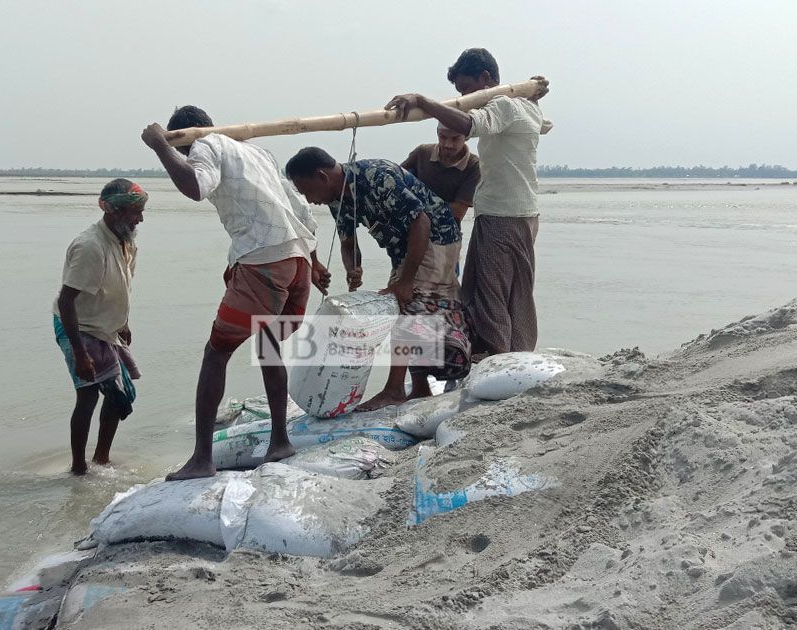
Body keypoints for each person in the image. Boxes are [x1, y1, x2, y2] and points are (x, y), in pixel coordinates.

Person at [141, 106, 331, 481]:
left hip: (264, 262)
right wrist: (314, 262)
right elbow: (301, 212)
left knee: (217, 351)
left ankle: (201, 459)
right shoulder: (255, 151)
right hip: (296, 262)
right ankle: (279, 440)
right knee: (270, 344)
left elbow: (197, 186)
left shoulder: (205, 146)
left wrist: (160, 147)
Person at [386, 47, 549, 356]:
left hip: (502, 214)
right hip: (524, 213)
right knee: (510, 290)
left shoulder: (502, 105)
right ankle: (515, 352)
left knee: (491, 292)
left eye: (467, 90)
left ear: (485, 79)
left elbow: (467, 125)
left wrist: (422, 102)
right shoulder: (528, 107)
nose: (466, 97)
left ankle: (499, 355)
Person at [285, 147, 472, 411]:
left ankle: (395, 389)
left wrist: (405, 282)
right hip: (403, 248)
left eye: (306, 191)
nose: (309, 200)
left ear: (322, 177)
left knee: (407, 305)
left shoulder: (378, 177)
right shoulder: (336, 199)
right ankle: (419, 387)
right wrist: (353, 268)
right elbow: (348, 242)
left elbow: (422, 223)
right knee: (404, 306)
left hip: (435, 237)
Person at [52, 179, 145, 475]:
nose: (140, 218)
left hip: (107, 328)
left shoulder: (126, 240)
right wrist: (80, 354)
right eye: (134, 212)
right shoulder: (90, 247)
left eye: (141, 212)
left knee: (119, 396)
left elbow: (121, 284)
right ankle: (78, 468)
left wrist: (123, 323)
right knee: (89, 394)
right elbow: (67, 301)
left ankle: (102, 459)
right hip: (79, 327)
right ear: (114, 212)